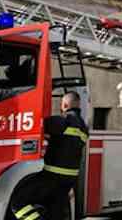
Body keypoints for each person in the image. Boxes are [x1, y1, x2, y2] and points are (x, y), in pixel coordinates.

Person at [12, 91, 88, 220]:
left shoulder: (62, 121)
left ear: (64, 104)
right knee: (55, 211)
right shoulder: (84, 127)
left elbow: (35, 125)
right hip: (69, 180)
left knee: (18, 202)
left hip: (51, 176)